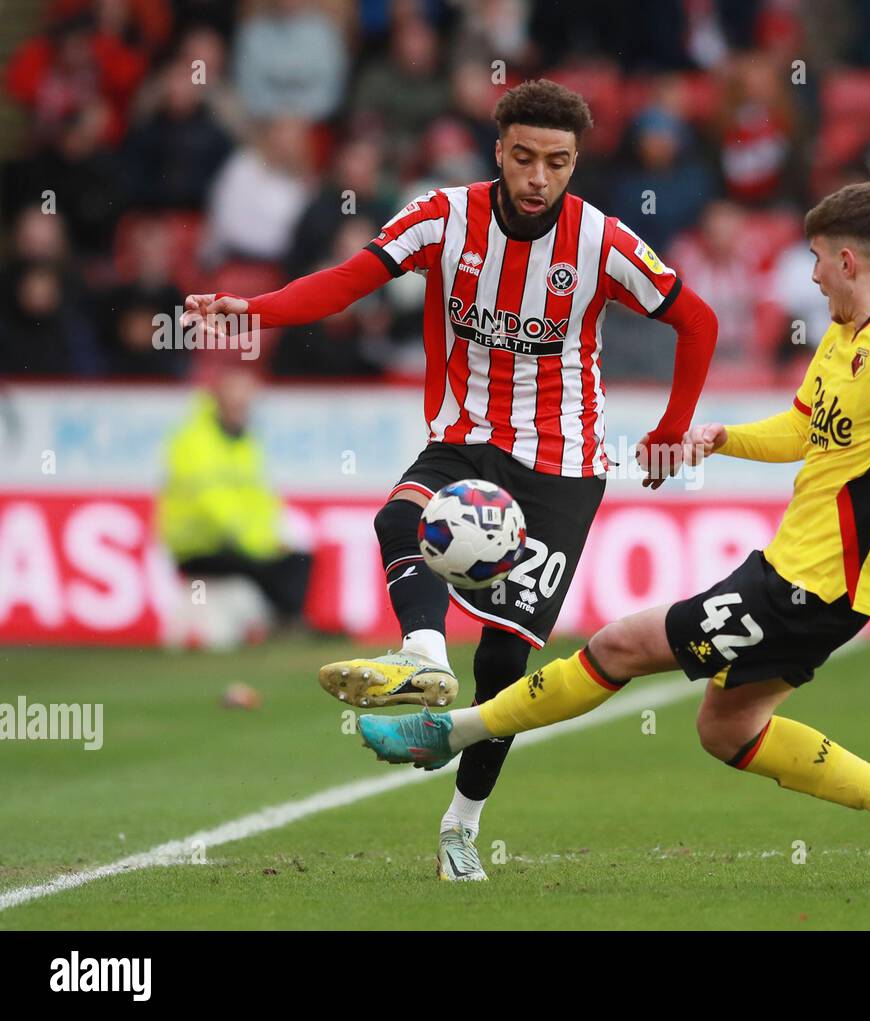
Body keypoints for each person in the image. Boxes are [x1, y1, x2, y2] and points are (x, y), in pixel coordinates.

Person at [355, 182, 870, 887]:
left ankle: (442, 733)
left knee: (621, 646)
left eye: (815, 259)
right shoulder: (845, 339)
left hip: (812, 583)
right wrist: (719, 437)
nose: (808, 275)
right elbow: (805, 431)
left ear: (848, 260)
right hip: (805, 580)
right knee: (725, 728)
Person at [182, 80, 718, 882]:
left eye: (558, 163)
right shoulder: (444, 216)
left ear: (576, 164)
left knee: (503, 669)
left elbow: (696, 319)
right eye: (526, 157)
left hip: (561, 465)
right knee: (397, 519)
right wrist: (256, 310)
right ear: (499, 149)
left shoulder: (601, 241)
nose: (539, 177)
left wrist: (674, 427)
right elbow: (351, 279)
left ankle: (463, 823)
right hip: (465, 435)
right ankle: (424, 651)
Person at [158, 367, 314, 626]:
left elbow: (259, 500)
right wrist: (259, 545)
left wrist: (269, 540)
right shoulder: (195, 440)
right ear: (219, 400)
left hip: (232, 543)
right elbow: (210, 503)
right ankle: (285, 622)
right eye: (237, 401)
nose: (243, 407)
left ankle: (287, 619)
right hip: (198, 546)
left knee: (297, 559)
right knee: (276, 566)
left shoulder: (244, 441)